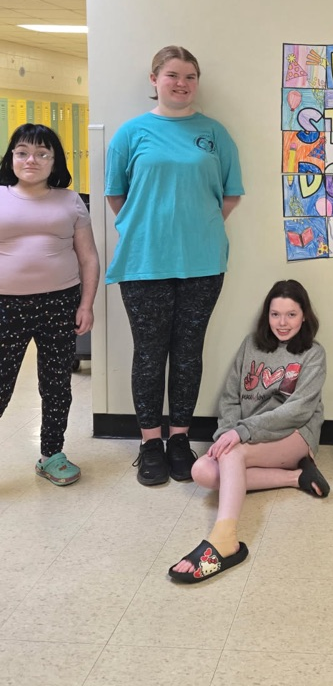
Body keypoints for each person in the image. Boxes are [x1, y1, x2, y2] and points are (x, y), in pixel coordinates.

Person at [105, 45, 244, 486]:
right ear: (154, 79)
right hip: (145, 261)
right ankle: (149, 443)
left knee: (187, 353)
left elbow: (231, 193)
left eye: (189, 76)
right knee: (149, 355)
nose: (181, 83)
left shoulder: (214, 134)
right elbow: (115, 194)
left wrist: (197, 227)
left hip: (203, 262)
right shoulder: (131, 133)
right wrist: (150, 228)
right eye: (172, 75)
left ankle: (179, 439)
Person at [169, 279, 329, 583]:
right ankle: (297, 477)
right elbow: (230, 397)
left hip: (295, 434)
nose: (282, 323)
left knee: (233, 452)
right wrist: (228, 431)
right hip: (249, 436)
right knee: (202, 470)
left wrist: (240, 434)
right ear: (266, 316)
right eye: (275, 314)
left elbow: (298, 410)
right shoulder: (251, 345)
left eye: (291, 314)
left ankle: (224, 537)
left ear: (304, 316)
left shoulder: (313, 354)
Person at [0, 124, 99, 485]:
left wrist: (86, 304)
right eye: (23, 152)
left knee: (56, 383)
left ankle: (51, 454)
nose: (32, 160)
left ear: (54, 161)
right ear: (11, 156)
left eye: (43, 153)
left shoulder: (69, 200)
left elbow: (88, 257)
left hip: (59, 303)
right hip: (4, 306)